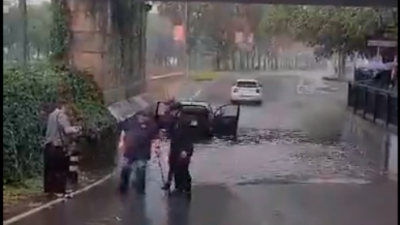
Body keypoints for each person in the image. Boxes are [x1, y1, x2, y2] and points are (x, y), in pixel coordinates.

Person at [44, 99, 81, 198]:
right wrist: (76, 129)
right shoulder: (61, 115)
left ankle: (49, 191)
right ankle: (59, 191)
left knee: (50, 170)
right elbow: (67, 130)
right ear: (64, 106)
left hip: (48, 146)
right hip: (58, 147)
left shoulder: (51, 115)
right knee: (60, 169)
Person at [119, 110, 159, 194]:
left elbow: (155, 138)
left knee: (140, 169)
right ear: (138, 116)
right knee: (126, 168)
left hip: (142, 151)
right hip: (129, 150)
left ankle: (140, 189)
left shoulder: (152, 126)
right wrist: (122, 142)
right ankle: (123, 187)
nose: (143, 118)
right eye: (142, 116)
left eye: (146, 117)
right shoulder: (130, 123)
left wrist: (157, 147)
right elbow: (122, 129)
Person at [161, 103, 194, 196]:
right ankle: (177, 186)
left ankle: (186, 187)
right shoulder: (174, 120)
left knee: (183, 168)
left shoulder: (185, 121)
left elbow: (188, 137)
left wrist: (186, 150)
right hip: (175, 147)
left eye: (172, 111)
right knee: (173, 165)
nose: (171, 113)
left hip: (184, 148)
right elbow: (171, 132)